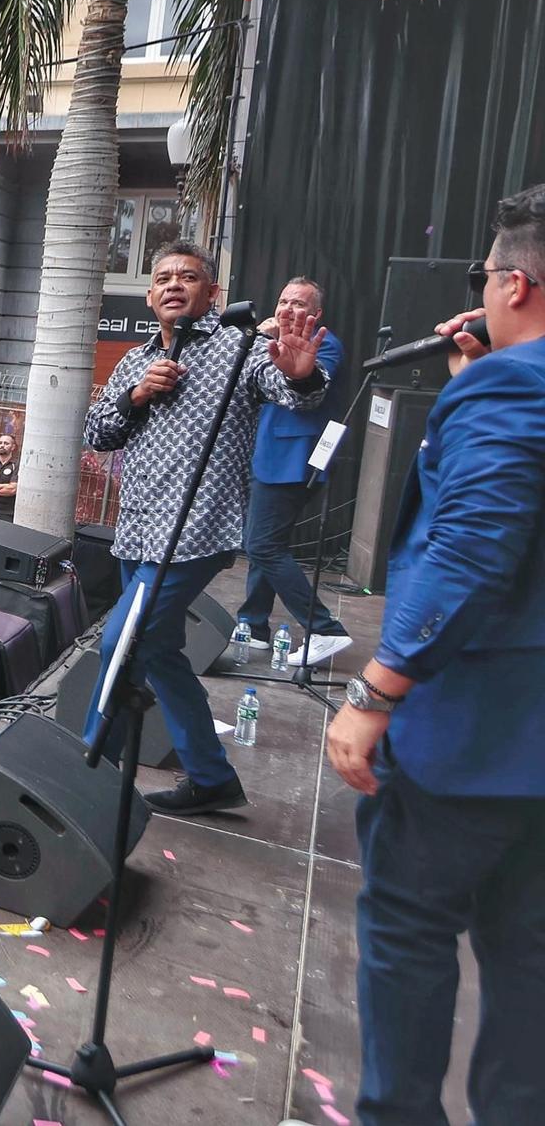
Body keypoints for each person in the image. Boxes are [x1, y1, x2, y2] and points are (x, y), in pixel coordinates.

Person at [327, 185, 545, 1125]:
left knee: (409, 933)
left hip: (475, 735)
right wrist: (467, 385)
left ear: (517, 282)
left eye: (487, 277)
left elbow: (472, 547)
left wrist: (377, 687)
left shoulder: (513, 387)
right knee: (528, 963)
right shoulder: (498, 386)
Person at [82, 240, 327, 815]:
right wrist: (137, 398)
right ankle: (211, 776)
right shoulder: (134, 361)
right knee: (161, 653)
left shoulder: (240, 348)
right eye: (163, 277)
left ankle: (85, 773)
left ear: (211, 294)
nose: (173, 284)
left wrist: (305, 378)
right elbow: (97, 433)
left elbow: (290, 388)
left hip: (194, 531)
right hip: (138, 529)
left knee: (122, 645)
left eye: (188, 276)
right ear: (149, 296)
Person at [236, 277, 351, 657]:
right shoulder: (270, 341)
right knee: (265, 542)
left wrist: (264, 343)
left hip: (293, 461)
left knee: (262, 545)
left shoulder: (324, 343)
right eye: (283, 301)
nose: (288, 309)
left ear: (316, 314)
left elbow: (307, 381)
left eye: (299, 304)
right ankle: (254, 625)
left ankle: (324, 628)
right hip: (268, 455)